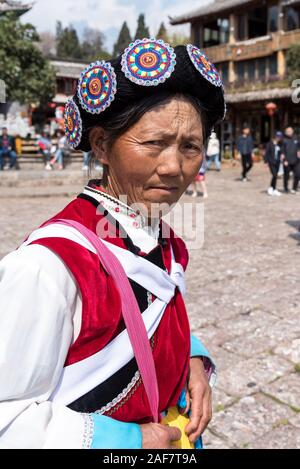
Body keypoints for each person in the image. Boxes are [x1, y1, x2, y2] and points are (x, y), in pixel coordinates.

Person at [0, 39, 225, 449]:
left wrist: (190, 357)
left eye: (190, 147)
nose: (175, 166)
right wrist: (127, 440)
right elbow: (7, 419)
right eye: (154, 143)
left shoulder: (163, 240)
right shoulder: (48, 267)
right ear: (102, 145)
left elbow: (154, 312)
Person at [281, 126, 300, 194]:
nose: (289, 132)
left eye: (290, 130)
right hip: (287, 161)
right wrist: (284, 160)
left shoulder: (296, 138)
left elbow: (298, 147)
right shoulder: (284, 140)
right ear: (285, 132)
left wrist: (298, 151)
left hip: (296, 160)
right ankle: (285, 188)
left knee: (298, 174)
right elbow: (282, 151)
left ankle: (294, 188)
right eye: (287, 131)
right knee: (286, 176)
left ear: (292, 131)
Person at [264, 131, 283, 196]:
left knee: (275, 175)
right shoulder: (269, 144)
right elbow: (266, 153)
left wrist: (282, 155)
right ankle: (271, 188)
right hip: (271, 162)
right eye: (277, 136)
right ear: (275, 136)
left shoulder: (280, 144)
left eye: (280, 137)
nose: (278, 138)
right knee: (274, 175)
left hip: (277, 162)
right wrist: (266, 162)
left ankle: (273, 189)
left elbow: (281, 152)